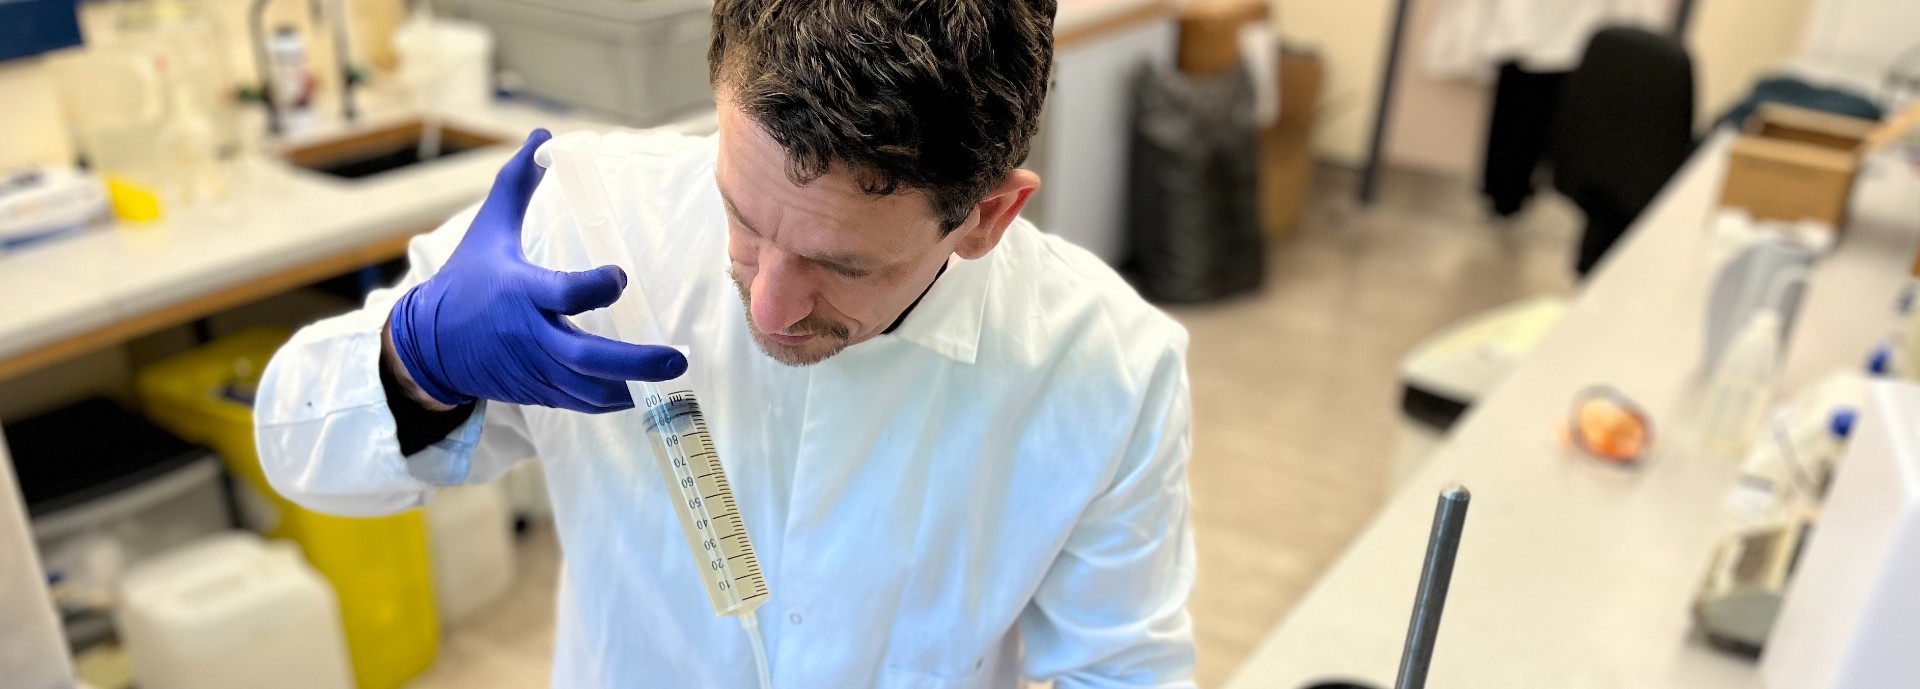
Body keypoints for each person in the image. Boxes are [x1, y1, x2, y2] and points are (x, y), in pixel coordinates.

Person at [255, 1, 1196, 686]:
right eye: (741, 217)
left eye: (844, 265)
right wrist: (416, 361)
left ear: (988, 216)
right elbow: (296, 447)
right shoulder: (589, 220)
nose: (773, 307)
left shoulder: (1104, 365)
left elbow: (1125, 670)